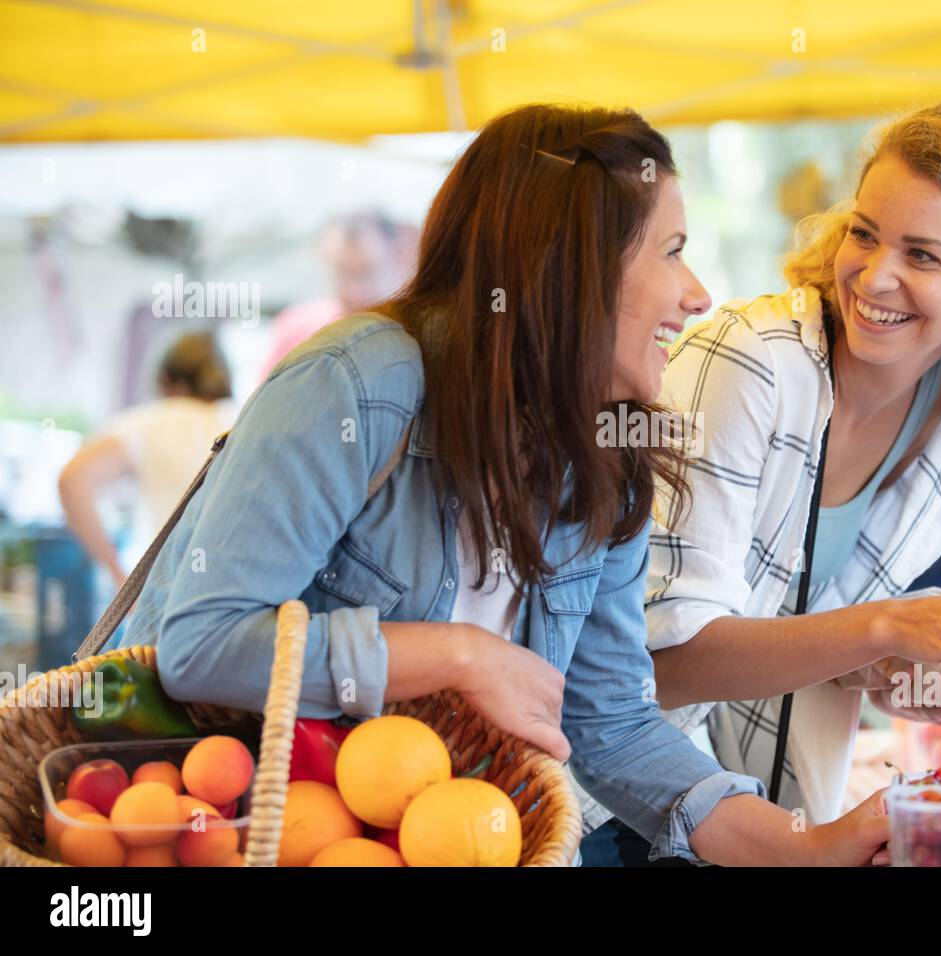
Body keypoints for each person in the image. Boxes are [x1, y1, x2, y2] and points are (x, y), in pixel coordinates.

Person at [120, 103, 891, 866]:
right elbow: (204, 645)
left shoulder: (606, 462)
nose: (698, 294)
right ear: (568, 263)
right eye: (671, 251)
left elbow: (612, 724)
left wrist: (810, 848)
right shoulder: (358, 383)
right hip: (210, 835)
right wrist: (455, 655)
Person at [582, 97, 941, 862]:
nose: (877, 276)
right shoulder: (753, 363)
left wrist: (921, 674)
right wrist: (885, 627)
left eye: (922, 255)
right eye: (865, 233)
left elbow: (809, 647)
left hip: (763, 823)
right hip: (617, 817)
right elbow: (657, 668)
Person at [59, 331, 237, 588]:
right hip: (237, 596)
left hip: (166, 592)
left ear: (165, 380)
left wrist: (116, 572)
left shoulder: (149, 423)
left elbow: (72, 480)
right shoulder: (245, 418)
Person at [257, 212, 414, 380]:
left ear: (398, 258)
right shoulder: (296, 329)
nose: (354, 291)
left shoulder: (415, 334)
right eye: (342, 274)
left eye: (365, 274)